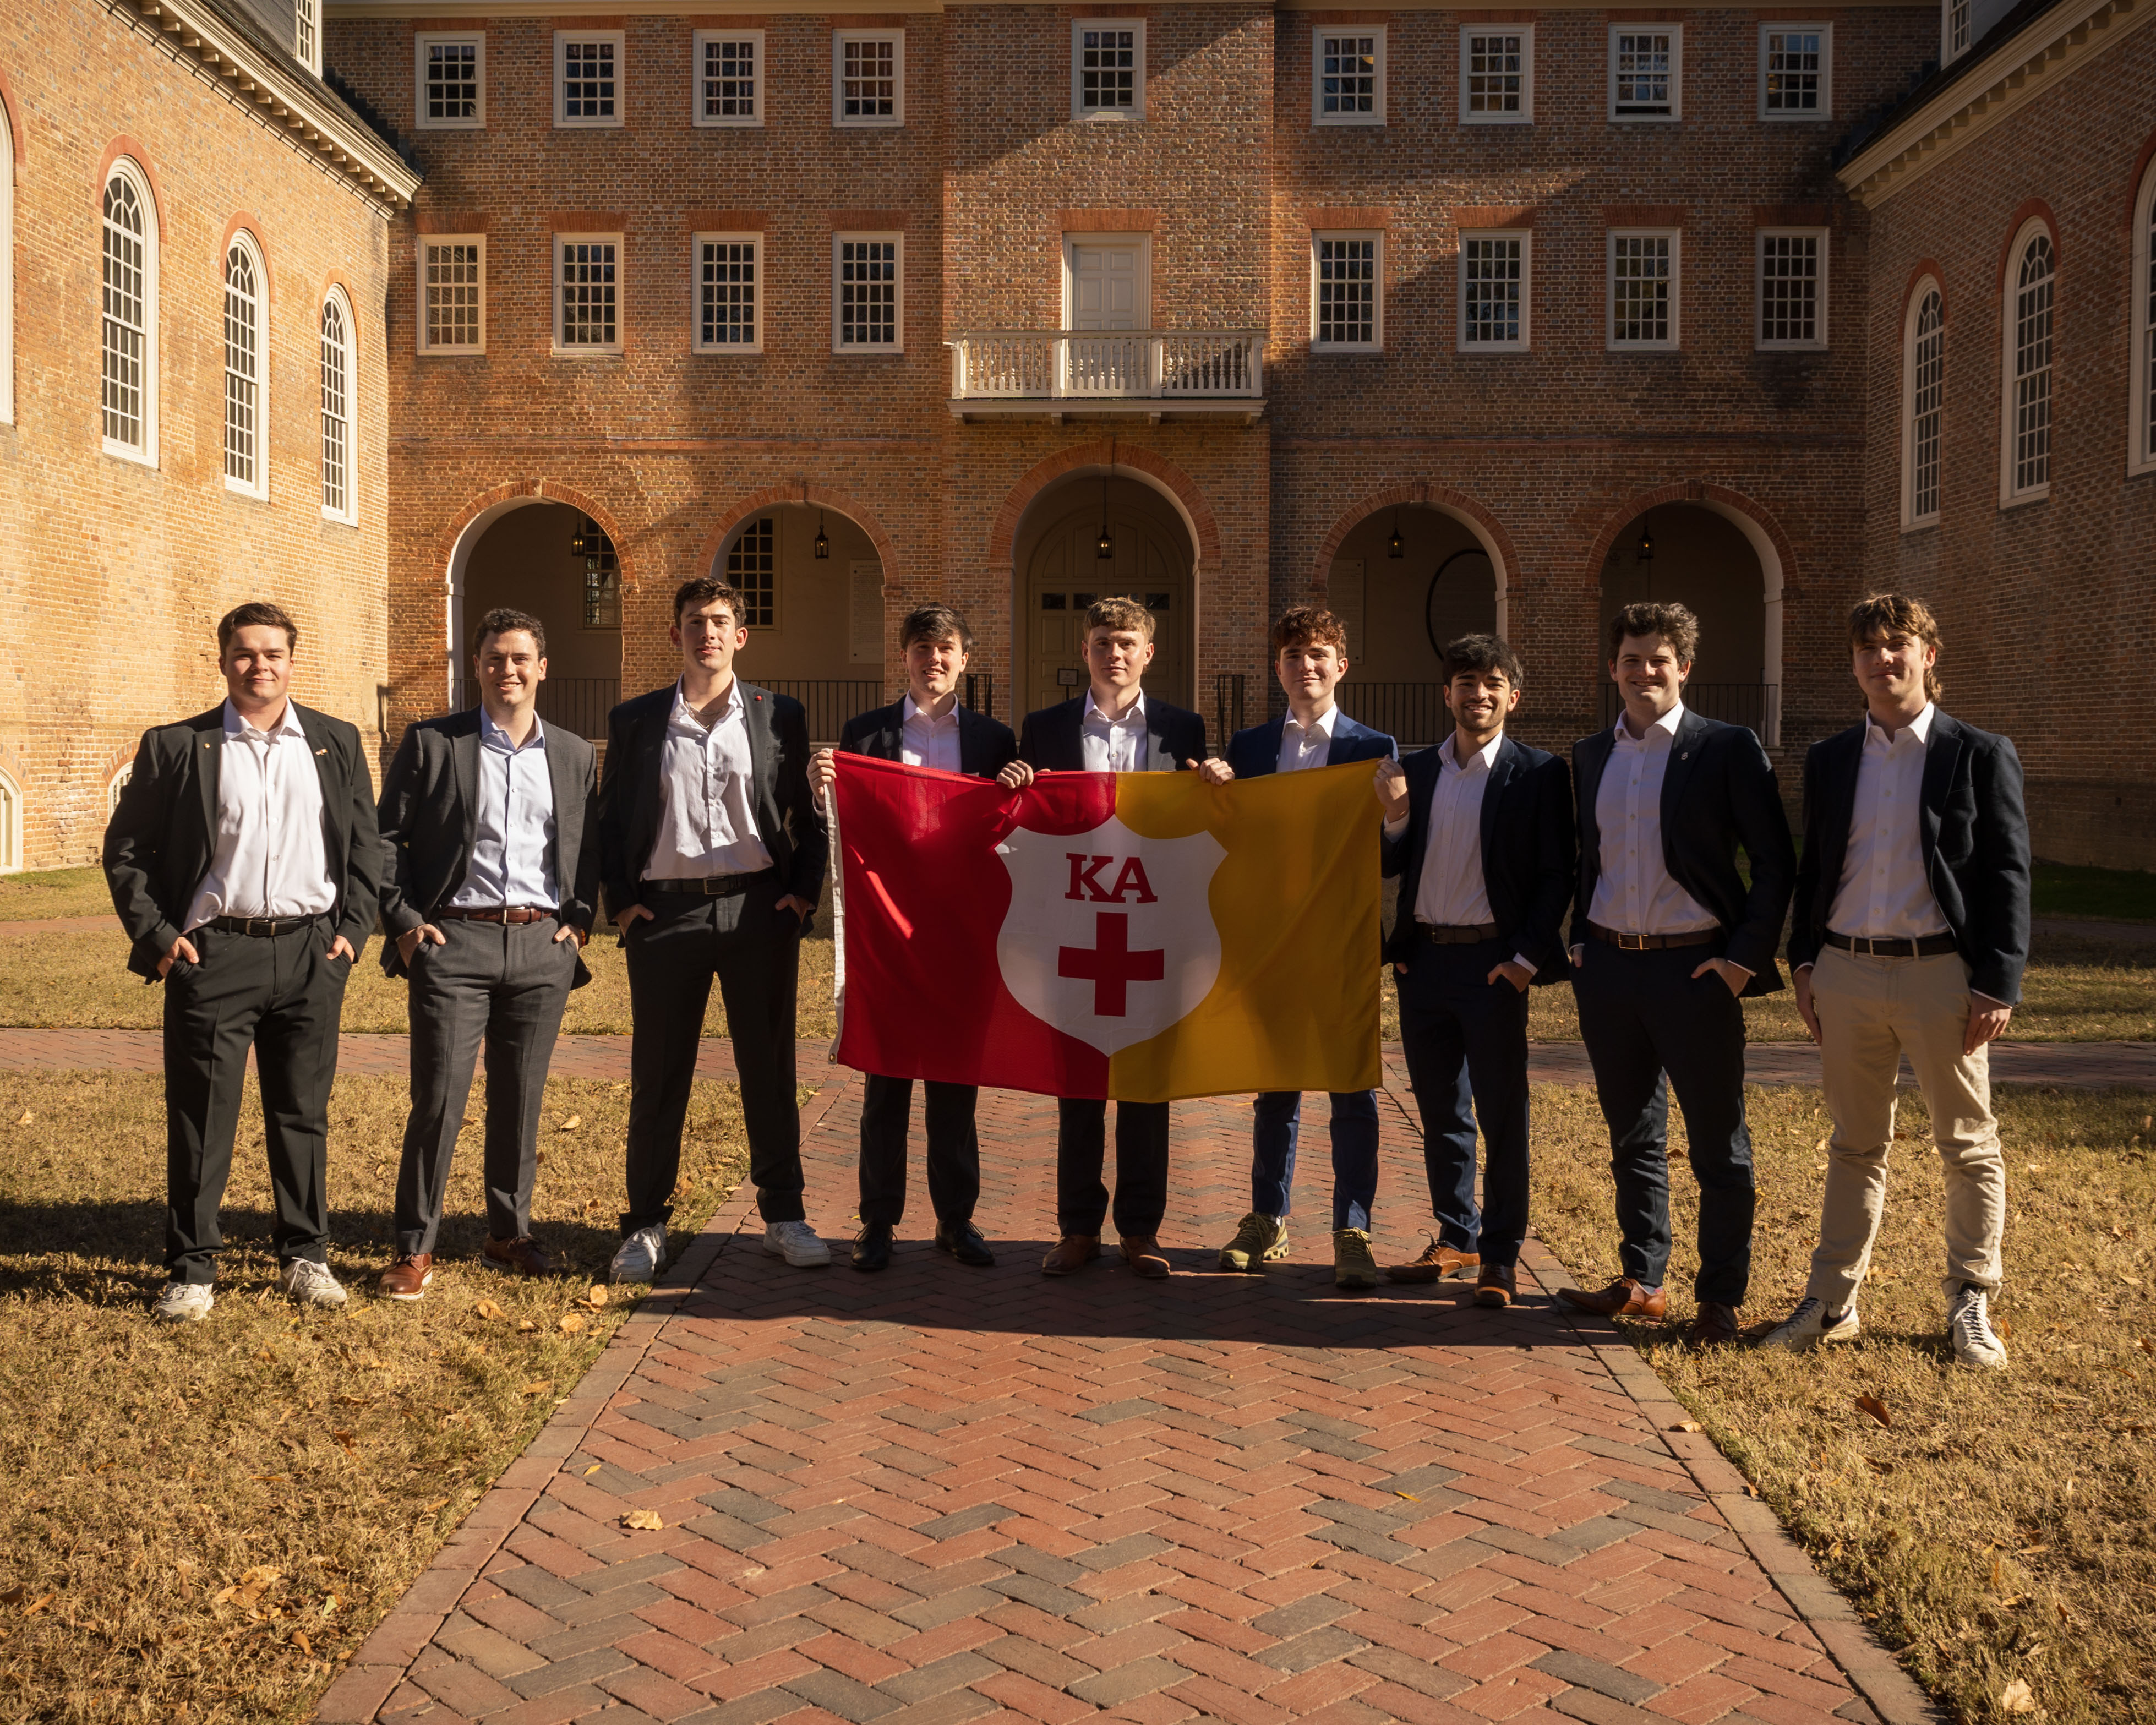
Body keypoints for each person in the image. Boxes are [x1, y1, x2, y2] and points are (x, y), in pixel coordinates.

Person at [1762, 594, 2027, 1371]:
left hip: (1942, 975)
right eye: (1869, 648)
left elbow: (2007, 873)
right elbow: (1817, 866)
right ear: (1854, 664)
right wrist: (1804, 961)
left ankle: (1971, 1299)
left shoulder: (1977, 753)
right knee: (1853, 1143)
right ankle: (1832, 1301)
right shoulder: (1832, 757)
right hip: (1843, 971)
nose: (1884, 659)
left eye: (1898, 644)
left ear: (1929, 655)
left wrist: (1998, 981)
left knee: (1968, 1145)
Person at [103, 602, 383, 1322]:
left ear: (294, 659)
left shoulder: (336, 741)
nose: (260, 665)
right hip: (213, 952)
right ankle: (193, 1267)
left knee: (303, 1113)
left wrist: (352, 930)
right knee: (201, 1118)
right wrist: (160, 935)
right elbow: (127, 850)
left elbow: (365, 847)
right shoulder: (177, 746)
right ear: (223, 659)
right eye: (244, 653)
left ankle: (306, 1255)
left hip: (311, 951)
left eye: (273, 652)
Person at [1557, 601, 1795, 1347]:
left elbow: (1774, 861)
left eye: (1659, 659)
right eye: (1631, 659)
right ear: (1613, 668)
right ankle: (1643, 1279)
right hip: (1608, 972)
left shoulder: (1725, 747)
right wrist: (1576, 941)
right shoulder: (1591, 753)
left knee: (1717, 1142)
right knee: (1632, 1134)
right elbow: (1584, 857)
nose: (1643, 672)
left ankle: (1719, 1297)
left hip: (1696, 972)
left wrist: (1741, 959)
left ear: (1683, 668)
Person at [597, 577, 829, 1282]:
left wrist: (799, 894)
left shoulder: (776, 714)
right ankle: (644, 1224)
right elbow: (612, 819)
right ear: (676, 634)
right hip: (665, 915)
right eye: (695, 621)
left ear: (740, 635)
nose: (708, 632)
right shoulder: (637, 719)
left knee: (769, 1066)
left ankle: (783, 1215)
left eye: (720, 621)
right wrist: (624, 902)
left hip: (757, 908)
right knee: (659, 1073)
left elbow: (805, 812)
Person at [372, 608, 599, 1301]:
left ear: (542, 668)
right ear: (478, 667)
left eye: (520, 658)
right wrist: (408, 924)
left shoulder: (572, 752)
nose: (508, 669)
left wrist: (580, 920)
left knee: (520, 1097)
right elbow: (387, 842)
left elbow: (590, 847)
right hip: (453, 941)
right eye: (496, 658)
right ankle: (415, 1247)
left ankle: (509, 1232)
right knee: (439, 1098)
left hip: (541, 944)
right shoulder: (433, 742)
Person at [999, 595, 1206, 1279]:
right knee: (1079, 1083)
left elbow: (1202, 824)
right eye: (1100, 642)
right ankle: (1077, 1226)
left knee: (1147, 1083)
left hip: (1153, 928)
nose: (1112, 653)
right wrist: (1014, 786)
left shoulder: (1185, 728)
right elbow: (1021, 829)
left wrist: (1217, 782)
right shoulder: (1044, 727)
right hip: (1074, 928)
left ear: (1148, 652)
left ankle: (1141, 1230)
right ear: (1083, 652)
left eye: (1125, 642)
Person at [1194, 605, 1398, 1289]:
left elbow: (1393, 853)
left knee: (1350, 1088)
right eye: (1291, 655)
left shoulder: (1375, 747)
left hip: (1342, 941)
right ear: (1276, 668)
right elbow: (1229, 841)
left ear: (1341, 665)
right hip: (1271, 941)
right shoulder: (1250, 748)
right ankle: (1267, 1217)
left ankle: (1353, 1226)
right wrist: (1216, 795)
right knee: (1274, 1087)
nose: (1305, 666)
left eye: (1317, 654)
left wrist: (1396, 813)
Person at [810, 604, 1017, 1273]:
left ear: (964, 659)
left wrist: (1019, 787)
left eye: (947, 649)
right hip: (889, 929)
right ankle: (877, 1221)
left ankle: (956, 1220)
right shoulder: (866, 733)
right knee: (887, 1079)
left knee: (957, 1080)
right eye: (923, 648)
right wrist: (823, 793)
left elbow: (1012, 831)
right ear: (904, 657)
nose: (934, 659)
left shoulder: (993, 740)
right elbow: (845, 819)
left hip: (960, 931)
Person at [1371, 634, 1574, 1309]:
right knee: (1440, 1111)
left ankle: (1500, 1254)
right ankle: (1454, 1235)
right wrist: (1394, 817)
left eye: (1490, 682)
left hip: (1493, 966)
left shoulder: (1538, 773)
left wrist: (1522, 959)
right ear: (1447, 693)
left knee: (1501, 1111)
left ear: (1511, 696)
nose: (1476, 693)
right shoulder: (1417, 770)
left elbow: (1555, 875)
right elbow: (1388, 863)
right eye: (1464, 681)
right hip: (1423, 962)